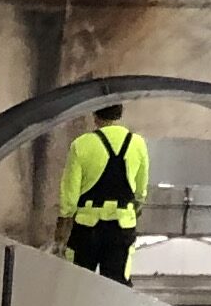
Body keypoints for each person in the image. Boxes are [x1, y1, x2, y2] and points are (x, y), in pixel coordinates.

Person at [60, 101, 150, 279]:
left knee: (79, 282)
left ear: (95, 115)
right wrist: (137, 205)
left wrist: (64, 220)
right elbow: (141, 187)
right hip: (122, 225)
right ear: (120, 114)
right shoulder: (137, 143)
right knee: (117, 284)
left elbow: (70, 192)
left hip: (87, 227)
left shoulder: (81, 144)